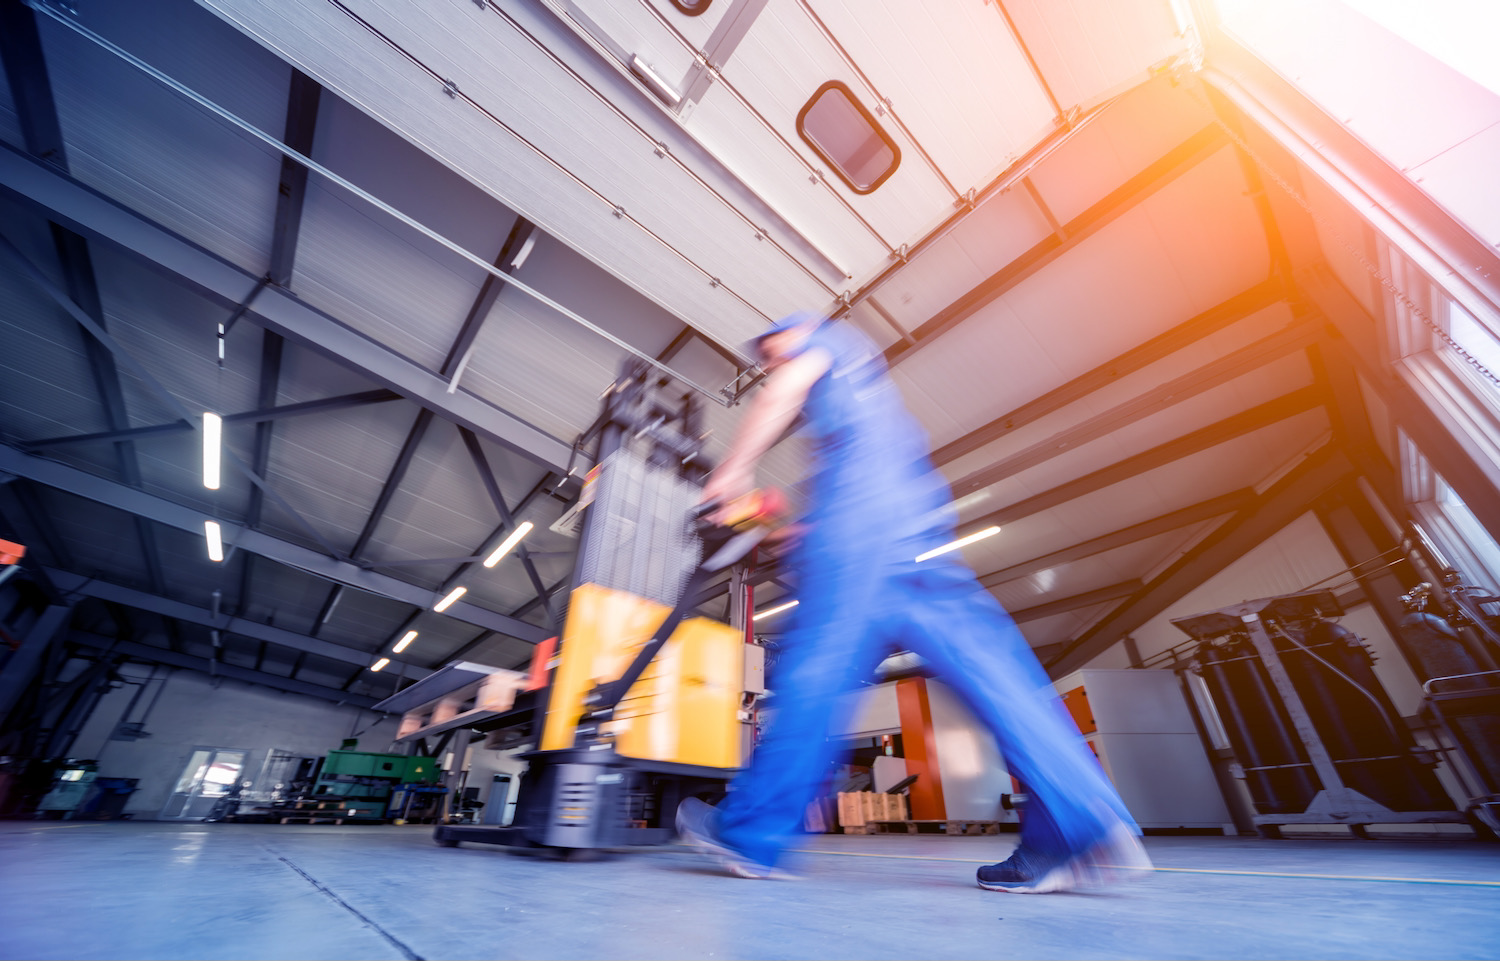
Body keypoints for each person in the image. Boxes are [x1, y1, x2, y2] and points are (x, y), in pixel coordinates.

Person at [675, 310, 1152, 893]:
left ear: (786, 337)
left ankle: (751, 832)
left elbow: (786, 389)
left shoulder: (816, 342)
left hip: (860, 537)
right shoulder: (866, 392)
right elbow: (865, 488)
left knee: (814, 677)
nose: (770, 365)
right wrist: (794, 536)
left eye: (769, 355)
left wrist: (731, 473)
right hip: (916, 536)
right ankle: (1075, 824)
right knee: (996, 674)